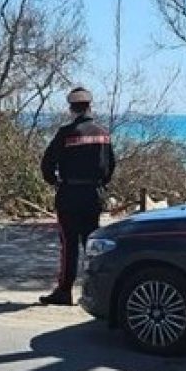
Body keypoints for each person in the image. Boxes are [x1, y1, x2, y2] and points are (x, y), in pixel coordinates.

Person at [39, 87, 116, 305]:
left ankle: (65, 291)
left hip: (70, 195)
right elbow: (110, 165)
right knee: (92, 245)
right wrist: (100, 184)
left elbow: (47, 164)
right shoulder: (103, 134)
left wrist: (55, 182)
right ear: (90, 107)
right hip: (93, 195)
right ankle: (98, 289)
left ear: (71, 108)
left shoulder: (66, 133)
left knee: (69, 245)